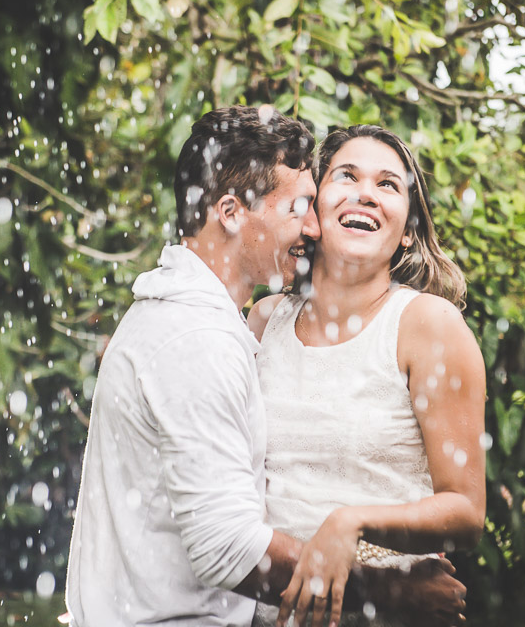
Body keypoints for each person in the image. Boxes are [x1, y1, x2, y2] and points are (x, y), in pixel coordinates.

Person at [65, 108, 466, 627]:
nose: (313, 226)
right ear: (231, 212)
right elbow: (227, 549)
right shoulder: (197, 340)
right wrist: (391, 595)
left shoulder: (198, 320)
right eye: (300, 207)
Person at [248, 125, 486, 627]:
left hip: (389, 613)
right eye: (347, 176)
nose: (366, 194)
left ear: (408, 229)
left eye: (388, 185)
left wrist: (351, 523)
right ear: (313, 208)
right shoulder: (266, 321)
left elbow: (465, 512)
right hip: (267, 613)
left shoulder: (429, 326)